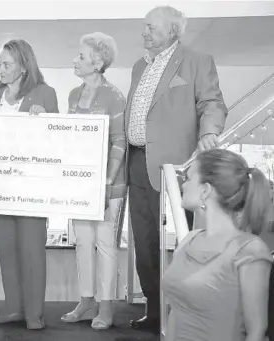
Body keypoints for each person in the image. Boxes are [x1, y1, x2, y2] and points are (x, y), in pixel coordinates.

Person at [125, 6, 228, 332]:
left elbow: (211, 102)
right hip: (137, 162)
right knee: (143, 244)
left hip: (178, 168)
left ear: (173, 31)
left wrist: (209, 131)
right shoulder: (139, 66)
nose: (144, 32)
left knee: (186, 245)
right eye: (144, 26)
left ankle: (188, 317)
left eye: (151, 28)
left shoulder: (197, 61)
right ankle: (155, 313)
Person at [0, 39, 58, 330]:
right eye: (0, 63)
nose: (0, 68)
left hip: (31, 187)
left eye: (7, 64)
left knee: (32, 250)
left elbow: (56, 140)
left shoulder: (45, 93)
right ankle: (13, 307)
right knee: (6, 248)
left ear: (24, 66)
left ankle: (34, 313)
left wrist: (45, 121)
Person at [162, 149, 273, 341]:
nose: (183, 185)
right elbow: (176, 312)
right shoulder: (189, 240)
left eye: (188, 179)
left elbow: (256, 332)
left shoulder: (249, 250)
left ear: (205, 190)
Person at [61, 32, 126, 330]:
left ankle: (106, 306)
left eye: (82, 56)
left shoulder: (113, 95)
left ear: (98, 62)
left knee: (105, 244)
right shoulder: (74, 95)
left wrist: (106, 181)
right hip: (79, 182)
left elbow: (119, 142)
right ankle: (86, 300)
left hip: (109, 185)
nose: (76, 60)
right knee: (82, 242)